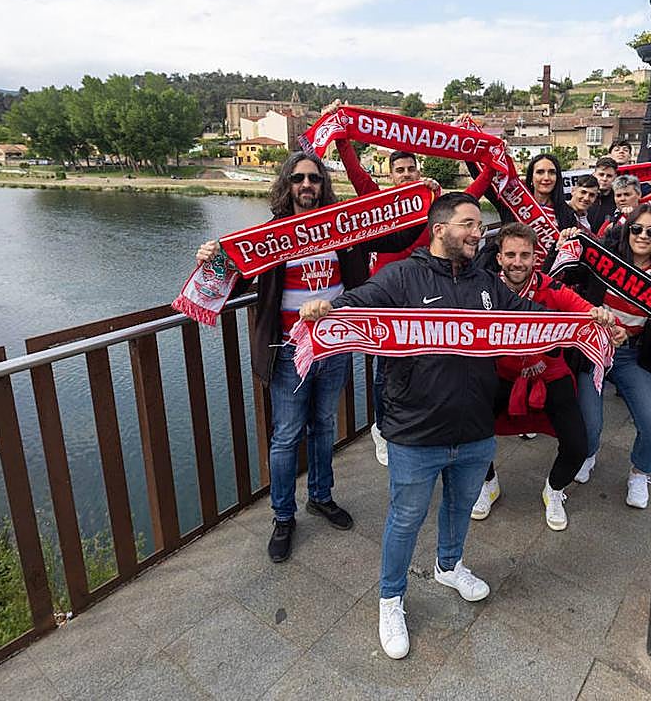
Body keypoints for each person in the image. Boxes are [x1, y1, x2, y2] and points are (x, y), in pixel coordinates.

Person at [299, 192, 613, 659]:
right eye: (469, 224)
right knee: (406, 519)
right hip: (415, 430)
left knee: (460, 506)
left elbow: (528, 316)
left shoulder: (485, 282)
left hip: (474, 428)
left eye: (480, 226)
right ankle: (390, 599)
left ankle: (449, 566)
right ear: (439, 229)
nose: (478, 233)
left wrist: (587, 320)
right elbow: (358, 303)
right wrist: (326, 310)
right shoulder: (402, 276)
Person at [193, 152, 416, 563]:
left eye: (314, 178)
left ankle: (320, 496)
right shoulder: (271, 235)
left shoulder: (341, 227)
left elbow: (396, 238)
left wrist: (422, 198)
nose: (307, 184)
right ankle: (283, 517)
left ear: (323, 184)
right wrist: (214, 257)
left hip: (333, 347)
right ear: (287, 184)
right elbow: (234, 280)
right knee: (286, 435)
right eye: (298, 178)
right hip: (287, 351)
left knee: (324, 425)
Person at [334, 136, 491, 466]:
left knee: (427, 363)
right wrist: (342, 139)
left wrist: (490, 163)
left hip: (425, 294)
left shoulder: (433, 205)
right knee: (384, 369)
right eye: (400, 170)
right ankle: (383, 429)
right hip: (388, 296)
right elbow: (356, 173)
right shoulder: (379, 204)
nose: (406, 174)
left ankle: (422, 426)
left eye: (411, 169)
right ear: (391, 175)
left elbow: (470, 196)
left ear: (418, 171)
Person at [469, 223, 625, 529]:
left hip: (549, 374)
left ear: (535, 257)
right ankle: (488, 483)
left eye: (524, 255)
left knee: (578, 445)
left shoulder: (551, 288)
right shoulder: (482, 288)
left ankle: (554, 490)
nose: (517, 262)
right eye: (510, 255)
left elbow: (585, 310)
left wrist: (608, 321)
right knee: (469, 429)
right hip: (501, 374)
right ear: (499, 258)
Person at [563, 204, 651, 506]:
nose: (643, 236)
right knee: (589, 426)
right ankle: (588, 454)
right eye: (637, 229)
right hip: (593, 351)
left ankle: (640, 472)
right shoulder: (604, 256)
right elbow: (564, 275)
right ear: (627, 230)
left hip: (634, 356)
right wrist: (567, 242)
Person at [586, 156, 618, 230]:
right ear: (594, 174)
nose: (604, 179)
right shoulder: (583, 197)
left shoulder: (619, 199)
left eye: (609, 176)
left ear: (615, 177)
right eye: (601, 174)